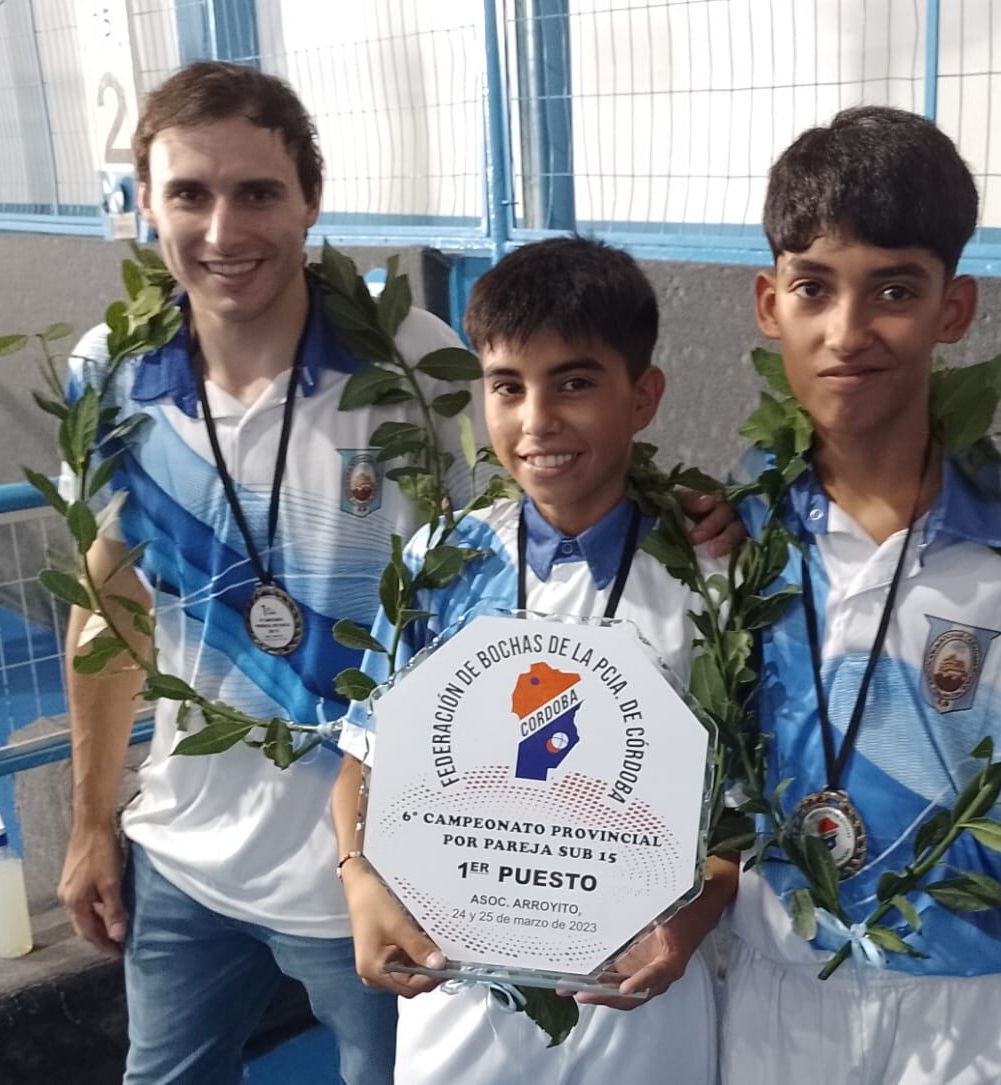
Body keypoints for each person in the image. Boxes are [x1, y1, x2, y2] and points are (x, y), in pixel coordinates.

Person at [54, 61, 476, 1084]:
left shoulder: (411, 367)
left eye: (256, 192)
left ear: (310, 200)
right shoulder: (110, 373)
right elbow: (110, 609)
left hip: (373, 869)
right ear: (146, 203)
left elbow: (494, 582)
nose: (221, 228)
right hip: (183, 862)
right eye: (188, 193)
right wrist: (89, 823)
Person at [720, 106, 1001, 1085]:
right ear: (766, 301)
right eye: (813, 287)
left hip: (970, 1001)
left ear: (950, 309)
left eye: (893, 289)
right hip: (776, 980)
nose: (847, 330)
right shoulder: (739, 521)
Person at [332, 237, 738, 1085]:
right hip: (459, 990)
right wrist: (360, 875)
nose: (537, 418)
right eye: (508, 386)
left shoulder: (711, 579)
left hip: (635, 995)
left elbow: (747, 815)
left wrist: (683, 930)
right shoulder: (440, 563)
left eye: (576, 381)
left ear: (643, 397)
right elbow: (363, 761)